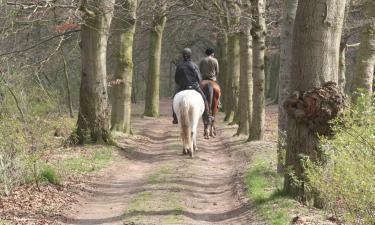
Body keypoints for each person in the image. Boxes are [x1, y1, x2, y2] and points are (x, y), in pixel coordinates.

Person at [172, 48, 212, 125]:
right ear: (190, 55)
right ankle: (207, 116)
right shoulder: (194, 65)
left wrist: (180, 83)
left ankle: (175, 117)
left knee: (174, 99)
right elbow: (199, 78)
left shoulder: (179, 66)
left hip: (182, 87)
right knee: (204, 99)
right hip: (194, 86)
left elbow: (176, 79)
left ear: (182, 56)